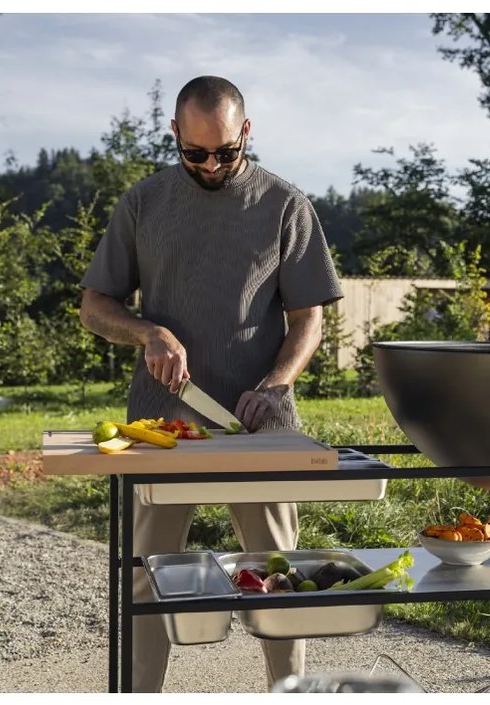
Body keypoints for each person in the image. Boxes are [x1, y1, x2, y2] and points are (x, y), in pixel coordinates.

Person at [78, 75, 343, 692]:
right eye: (195, 153)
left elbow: (310, 320)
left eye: (226, 151)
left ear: (246, 132)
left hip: (260, 428)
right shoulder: (142, 204)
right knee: (146, 576)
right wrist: (146, 333)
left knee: (281, 575)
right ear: (174, 135)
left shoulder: (285, 205)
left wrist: (276, 384)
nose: (212, 164)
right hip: (161, 426)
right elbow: (95, 305)